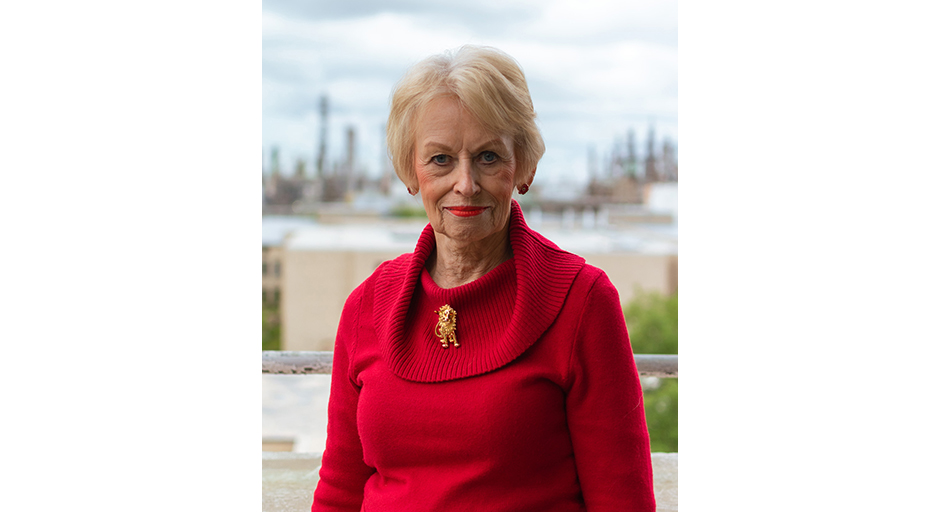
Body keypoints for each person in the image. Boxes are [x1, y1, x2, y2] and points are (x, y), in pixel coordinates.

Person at [312, 45, 655, 512]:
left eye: (489, 156)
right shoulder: (365, 307)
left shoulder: (583, 300)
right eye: (440, 160)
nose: (466, 183)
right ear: (410, 172)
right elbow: (339, 490)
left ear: (524, 167)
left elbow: (622, 500)